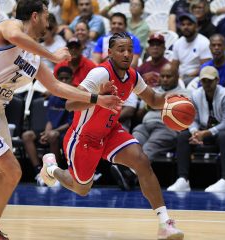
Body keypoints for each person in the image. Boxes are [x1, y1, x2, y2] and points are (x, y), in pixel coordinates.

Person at [0, 1, 122, 239]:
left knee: (5, 174)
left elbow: (56, 87)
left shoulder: (34, 59)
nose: (49, 21)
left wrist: (96, 99)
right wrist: (53, 55)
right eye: (46, 16)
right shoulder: (8, 26)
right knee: (12, 170)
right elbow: (15, 36)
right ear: (34, 16)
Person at [40, 32, 184, 240]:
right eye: (121, 50)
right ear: (109, 53)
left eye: (130, 50)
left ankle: (165, 223)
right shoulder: (100, 74)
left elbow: (152, 99)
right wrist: (99, 98)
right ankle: (52, 168)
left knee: (142, 161)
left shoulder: (132, 76)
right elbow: (70, 104)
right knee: (81, 189)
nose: (126, 54)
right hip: (83, 138)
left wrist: (170, 101)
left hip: (109, 131)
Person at [167, 66, 225, 193]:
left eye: (210, 80)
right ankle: (183, 179)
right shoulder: (196, 95)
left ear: (217, 80)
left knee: (224, 136)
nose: (207, 84)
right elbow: (193, 119)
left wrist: (206, 133)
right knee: (183, 135)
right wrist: (194, 133)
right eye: (204, 81)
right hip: (206, 131)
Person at [22, 66, 74, 186]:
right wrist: (45, 133)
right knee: (27, 135)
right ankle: (39, 171)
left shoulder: (74, 98)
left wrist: (51, 133)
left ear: (72, 79)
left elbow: (70, 123)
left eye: (67, 78)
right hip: (53, 130)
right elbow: (50, 120)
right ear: (57, 79)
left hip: (67, 132)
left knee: (53, 135)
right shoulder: (53, 97)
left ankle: (55, 173)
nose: (64, 81)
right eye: (61, 79)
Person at [171, 13, 212, 85]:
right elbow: (174, 66)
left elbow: (204, 68)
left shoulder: (204, 42)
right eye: (183, 25)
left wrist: (186, 77)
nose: (185, 27)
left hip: (196, 77)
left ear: (196, 26)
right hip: (180, 77)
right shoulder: (178, 43)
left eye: (189, 24)